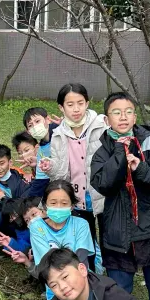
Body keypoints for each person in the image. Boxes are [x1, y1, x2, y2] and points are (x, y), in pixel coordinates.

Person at [90, 91, 150, 300]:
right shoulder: (102, 149)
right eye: (116, 113)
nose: (123, 117)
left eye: (128, 112)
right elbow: (103, 184)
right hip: (118, 226)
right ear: (107, 120)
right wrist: (120, 151)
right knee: (119, 283)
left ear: (135, 117)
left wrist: (141, 169)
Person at [4, 180, 96, 300]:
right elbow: (46, 264)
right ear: (45, 205)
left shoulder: (81, 224)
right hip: (56, 293)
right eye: (53, 203)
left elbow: (81, 260)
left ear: (72, 206)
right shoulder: (36, 227)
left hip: (82, 287)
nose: (58, 207)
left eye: (64, 203)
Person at [45, 83, 107, 242]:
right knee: (84, 239)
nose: (76, 109)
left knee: (109, 239)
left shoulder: (102, 125)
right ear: (61, 107)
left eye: (80, 103)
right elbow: (61, 175)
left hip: (103, 194)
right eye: (70, 104)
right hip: (78, 196)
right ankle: (90, 266)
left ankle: (108, 264)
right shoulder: (58, 135)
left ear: (87, 103)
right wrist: (51, 167)